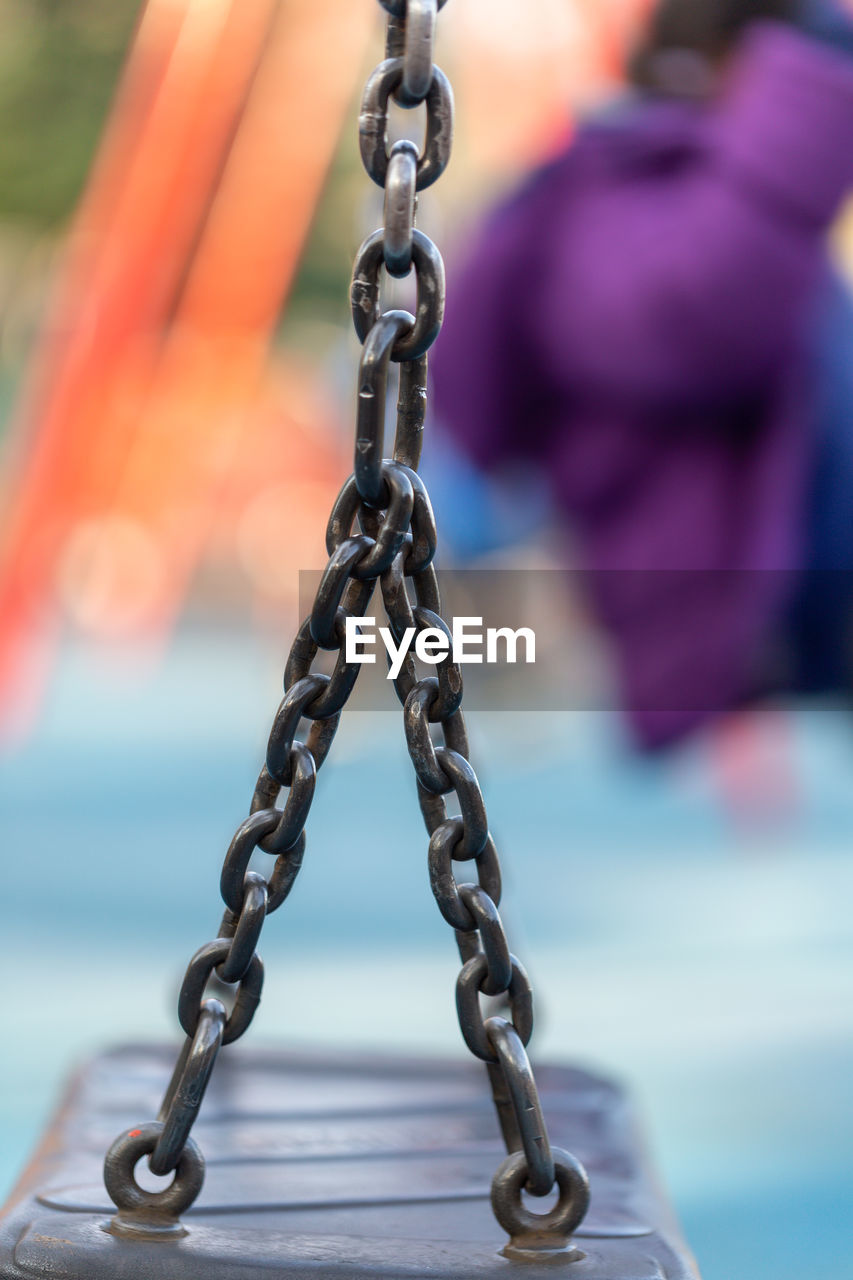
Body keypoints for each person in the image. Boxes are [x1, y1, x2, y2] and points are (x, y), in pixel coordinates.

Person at [432, 0, 853, 750]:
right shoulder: (629, 193)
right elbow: (696, 317)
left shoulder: (707, 192)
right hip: (732, 607)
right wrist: (821, 74)